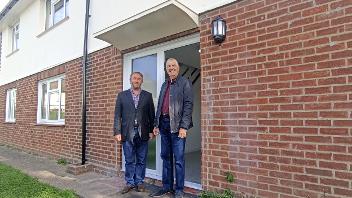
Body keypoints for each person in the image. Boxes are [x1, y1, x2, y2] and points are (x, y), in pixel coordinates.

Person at [149, 58, 193, 198]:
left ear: (178, 68)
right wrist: (156, 125)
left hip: (177, 126)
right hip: (164, 125)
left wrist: (184, 127)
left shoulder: (184, 83)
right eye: (168, 66)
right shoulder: (164, 85)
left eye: (173, 65)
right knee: (165, 157)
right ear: (166, 69)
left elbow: (188, 105)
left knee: (178, 159)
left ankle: (179, 189)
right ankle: (167, 187)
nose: (171, 68)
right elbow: (160, 106)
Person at [113, 72, 155, 194]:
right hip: (127, 132)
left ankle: (139, 182)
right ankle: (130, 183)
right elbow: (117, 115)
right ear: (130, 80)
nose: (136, 80)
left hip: (143, 132)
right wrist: (117, 131)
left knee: (142, 160)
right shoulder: (122, 95)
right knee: (129, 160)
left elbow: (151, 115)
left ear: (142, 81)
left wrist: (152, 130)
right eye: (134, 78)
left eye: (139, 79)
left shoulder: (147, 96)